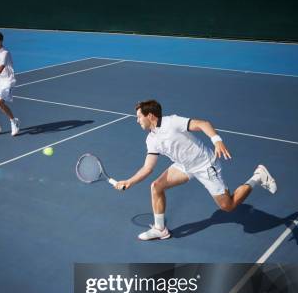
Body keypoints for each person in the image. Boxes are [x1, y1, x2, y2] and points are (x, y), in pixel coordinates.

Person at [115, 100, 277, 241]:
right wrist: (129, 181)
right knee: (156, 186)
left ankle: (258, 176)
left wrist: (217, 141)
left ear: (150, 115)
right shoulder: (151, 139)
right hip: (183, 166)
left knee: (228, 206)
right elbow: (148, 167)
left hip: (205, 165)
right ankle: (160, 230)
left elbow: (202, 124)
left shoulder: (172, 122)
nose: (137, 120)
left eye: (139, 116)